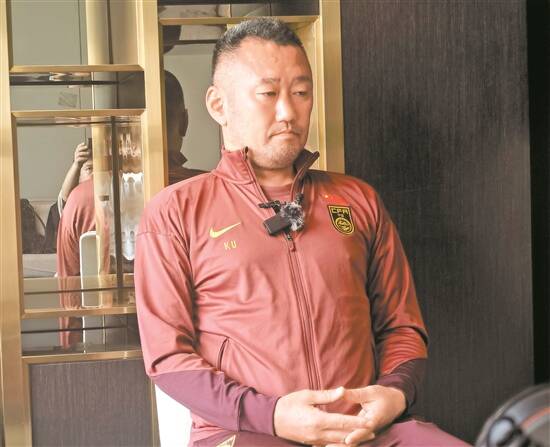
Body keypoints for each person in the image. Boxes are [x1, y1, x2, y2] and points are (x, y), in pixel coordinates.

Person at [135, 18, 470, 447]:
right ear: (218, 105)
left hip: (362, 430)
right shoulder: (175, 212)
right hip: (247, 432)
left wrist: (394, 392)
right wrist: (273, 415)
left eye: (301, 93)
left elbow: (401, 326)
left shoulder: (357, 199)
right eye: (268, 93)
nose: (288, 113)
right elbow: (169, 357)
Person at [56, 70, 198, 348]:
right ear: (184, 122)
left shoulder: (80, 202)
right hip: (195, 353)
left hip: (106, 351)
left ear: (110, 127)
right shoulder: (206, 193)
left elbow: (70, 308)